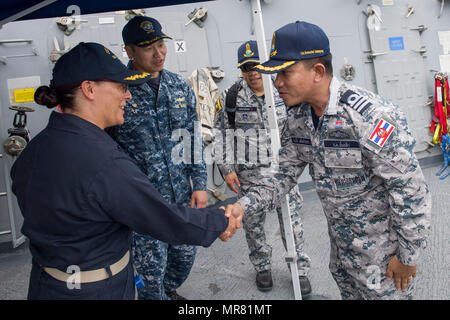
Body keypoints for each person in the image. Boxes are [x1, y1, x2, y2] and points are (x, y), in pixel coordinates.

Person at [10, 42, 238, 300]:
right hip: (96, 290)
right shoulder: (103, 161)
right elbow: (159, 217)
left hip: (46, 283)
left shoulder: (35, 149)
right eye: (121, 87)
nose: (128, 95)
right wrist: (220, 220)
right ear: (89, 89)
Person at [226, 21, 431, 300]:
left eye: (285, 73)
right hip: (342, 253)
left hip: (384, 259)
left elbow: (409, 188)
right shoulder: (298, 117)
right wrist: (242, 206)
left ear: (318, 72)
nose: (277, 83)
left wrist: (408, 256)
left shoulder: (368, 116)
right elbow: (283, 174)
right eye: (275, 75)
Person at [116, 16, 207, 300]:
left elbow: (192, 136)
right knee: (149, 274)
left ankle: (168, 291)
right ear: (130, 51)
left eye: (160, 44)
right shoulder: (119, 90)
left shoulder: (179, 87)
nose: (158, 53)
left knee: (183, 258)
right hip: (141, 205)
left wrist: (200, 183)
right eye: (147, 48)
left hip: (180, 196)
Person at [213, 40, 311, 295]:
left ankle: (299, 269)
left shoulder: (284, 90)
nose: (252, 71)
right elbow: (221, 134)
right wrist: (227, 169)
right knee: (253, 226)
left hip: (283, 174)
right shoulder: (231, 96)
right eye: (246, 67)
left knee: (293, 223)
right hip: (250, 177)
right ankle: (262, 267)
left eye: (256, 64)